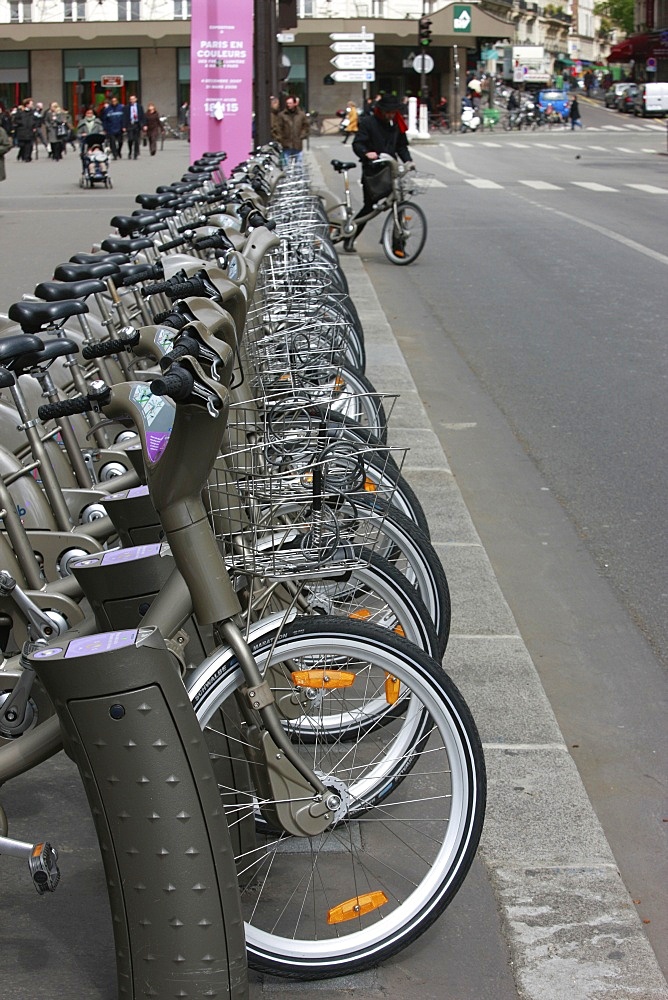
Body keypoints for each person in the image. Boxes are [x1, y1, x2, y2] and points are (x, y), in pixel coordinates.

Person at [347, 92, 413, 255]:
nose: (390, 115)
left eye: (393, 112)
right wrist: (366, 153)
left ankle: (398, 247)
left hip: (391, 170)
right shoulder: (368, 123)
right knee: (369, 207)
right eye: (388, 112)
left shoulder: (396, 124)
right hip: (373, 171)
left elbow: (401, 146)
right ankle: (350, 235)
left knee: (399, 206)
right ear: (381, 111)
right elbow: (358, 143)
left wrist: (408, 161)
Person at [276, 95, 309, 163]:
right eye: (287, 103)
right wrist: (280, 138)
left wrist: (302, 135)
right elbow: (278, 127)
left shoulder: (301, 115)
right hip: (286, 143)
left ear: (295, 103)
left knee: (299, 165)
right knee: (286, 165)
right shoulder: (282, 115)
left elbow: (306, 126)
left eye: (290, 103)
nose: (288, 105)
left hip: (297, 143)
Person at [12, 98, 36, 162]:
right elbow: (15, 120)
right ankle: (21, 154)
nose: (32, 105)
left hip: (29, 130)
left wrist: (34, 125)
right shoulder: (20, 112)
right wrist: (21, 123)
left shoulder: (32, 112)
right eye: (31, 104)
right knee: (22, 144)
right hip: (22, 130)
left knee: (29, 144)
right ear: (27, 104)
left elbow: (35, 119)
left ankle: (27, 157)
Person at [122, 94, 145, 159]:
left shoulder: (139, 107)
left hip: (137, 124)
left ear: (136, 99)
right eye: (131, 99)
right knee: (130, 139)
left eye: (133, 99)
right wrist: (124, 126)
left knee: (136, 139)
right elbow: (124, 117)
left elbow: (142, 116)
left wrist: (144, 125)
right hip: (129, 124)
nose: (132, 100)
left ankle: (135, 153)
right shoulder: (126, 107)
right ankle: (130, 151)